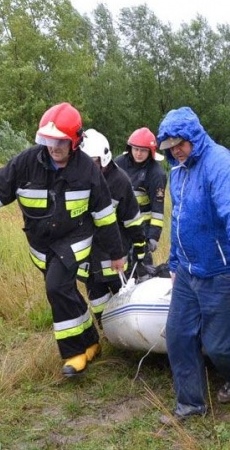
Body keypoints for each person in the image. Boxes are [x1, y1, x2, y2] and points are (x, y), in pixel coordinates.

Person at [0, 103, 124, 377]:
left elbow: (105, 216)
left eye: (60, 142)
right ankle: (90, 342)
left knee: (56, 287)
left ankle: (74, 354)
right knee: (65, 290)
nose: (53, 147)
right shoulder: (25, 163)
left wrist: (116, 252)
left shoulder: (87, 170)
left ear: (74, 140)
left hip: (75, 240)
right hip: (40, 245)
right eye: (48, 141)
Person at [156, 106, 230, 423]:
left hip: (220, 271)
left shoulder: (220, 163)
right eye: (170, 147)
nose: (175, 151)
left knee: (218, 345)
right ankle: (190, 404)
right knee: (177, 335)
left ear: (194, 136)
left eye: (180, 144)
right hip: (188, 271)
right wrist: (174, 263)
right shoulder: (178, 169)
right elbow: (178, 220)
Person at [78, 128, 147, 326]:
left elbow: (132, 220)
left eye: (93, 162)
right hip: (87, 258)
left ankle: (130, 336)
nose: (88, 167)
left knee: (123, 299)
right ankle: (108, 334)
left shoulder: (119, 181)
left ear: (104, 158)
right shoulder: (77, 179)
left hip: (113, 255)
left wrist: (140, 246)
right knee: (98, 302)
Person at [114, 127, 167, 265]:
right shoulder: (118, 164)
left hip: (142, 228)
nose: (138, 153)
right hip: (119, 226)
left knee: (142, 266)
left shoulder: (156, 173)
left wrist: (153, 237)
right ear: (130, 148)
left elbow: (158, 209)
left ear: (151, 151)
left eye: (143, 150)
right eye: (136, 149)